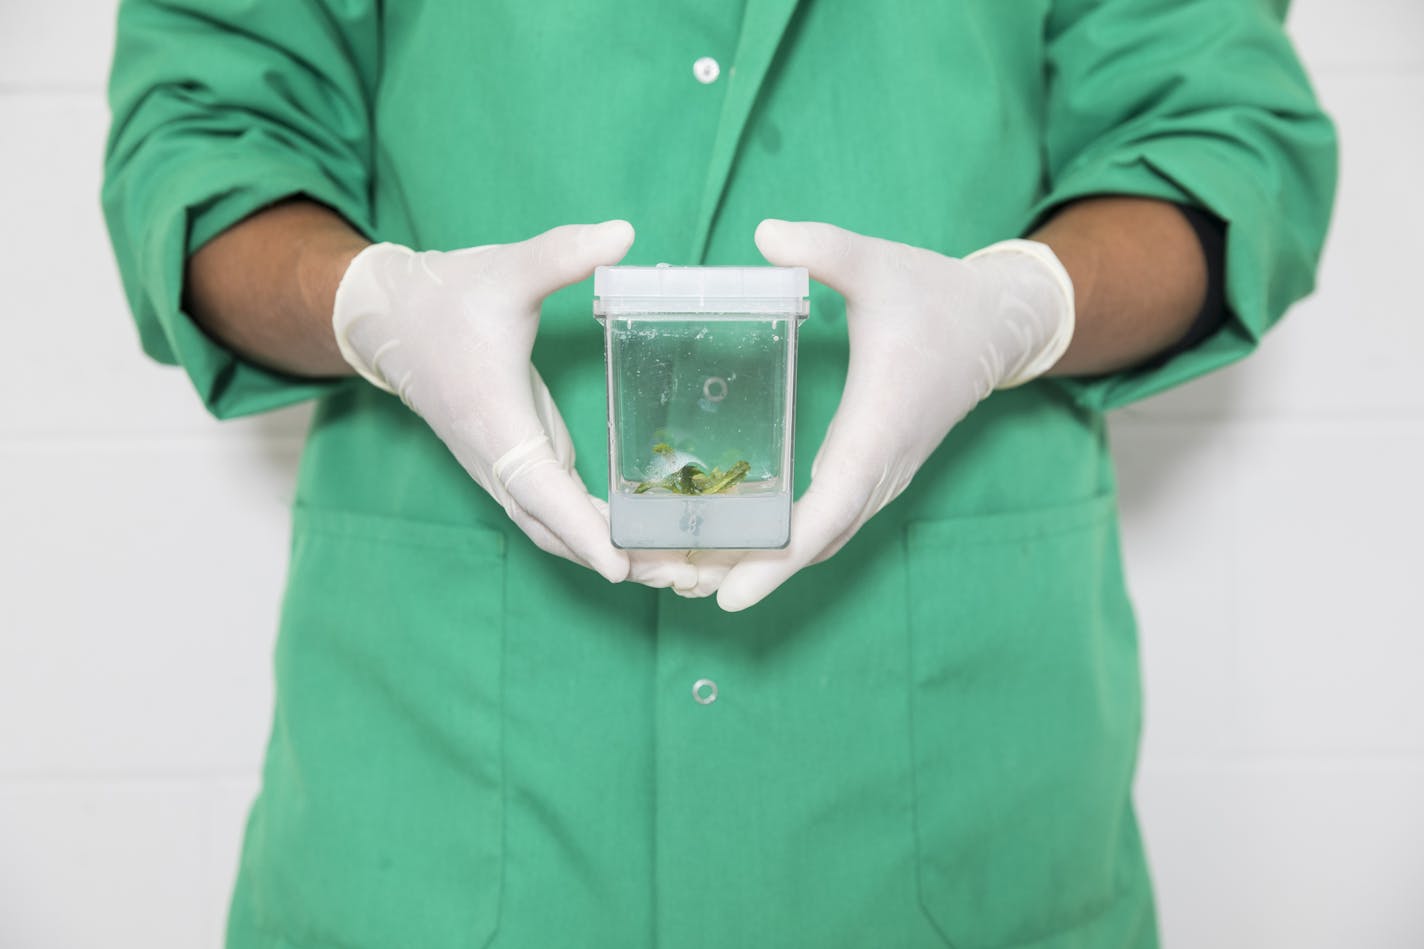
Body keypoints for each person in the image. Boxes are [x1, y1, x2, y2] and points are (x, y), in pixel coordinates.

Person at [102, 1, 1336, 946]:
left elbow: (1220, 137)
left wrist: (1021, 305)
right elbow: (203, 135)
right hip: (436, 779)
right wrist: (370, 304)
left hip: (961, 773)